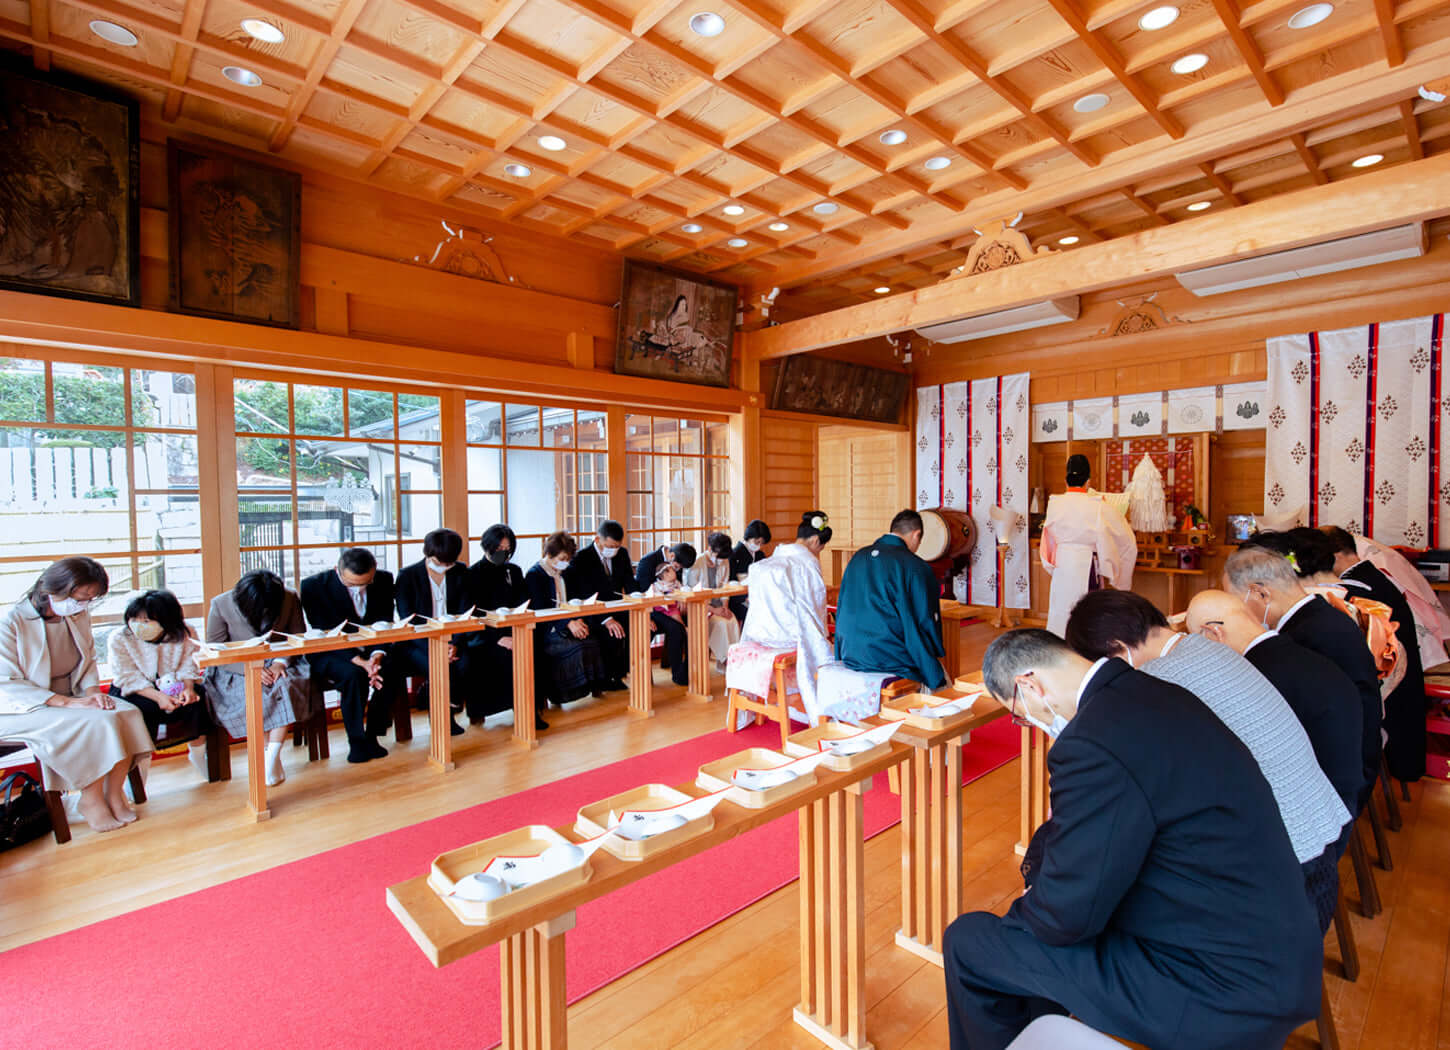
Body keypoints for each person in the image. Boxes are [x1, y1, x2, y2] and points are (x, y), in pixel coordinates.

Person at [943, 629, 1322, 1050]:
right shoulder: (1154, 692)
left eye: (1018, 713)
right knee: (1036, 928)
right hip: (1269, 945)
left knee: (970, 941)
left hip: (1218, 989)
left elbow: (1064, 917)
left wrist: (1028, 910)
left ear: (1028, 685)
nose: (1028, 722)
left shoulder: (1091, 742)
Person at [1066, 590, 1350, 931]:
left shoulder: (1159, 679)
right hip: (1320, 832)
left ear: (1116, 649)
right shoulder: (1206, 647)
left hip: (1283, 868)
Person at [1224, 545, 1382, 809]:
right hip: (1348, 755)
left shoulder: (1307, 637)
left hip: (1336, 782)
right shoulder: (1318, 617)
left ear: (1261, 593)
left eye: (1234, 601)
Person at [0, 558, 151, 832]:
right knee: (95, 722)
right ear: (53, 589)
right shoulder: (11, 622)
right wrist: (68, 702)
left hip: (72, 694)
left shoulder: (77, 615)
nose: (84, 604)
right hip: (24, 705)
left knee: (126, 712)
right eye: (81, 597)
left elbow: (89, 660)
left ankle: (113, 793)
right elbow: (6, 683)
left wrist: (94, 694)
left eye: (90, 599)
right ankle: (90, 799)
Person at [1187, 589, 1364, 815]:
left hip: (1313, 814)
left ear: (1213, 633)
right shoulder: (1298, 654)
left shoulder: (1255, 677)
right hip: (1342, 793)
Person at [1318, 525, 1426, 785]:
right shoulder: (1371, 576)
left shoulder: (1359, 588)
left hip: (1387, 684)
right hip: (1397, 676)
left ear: (1336, 554)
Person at [206, 570, 322, 786]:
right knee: (255, 693)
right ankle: (270, 758)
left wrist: (280, 662)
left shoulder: (288, 597)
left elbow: (297, 637)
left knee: (284, 686)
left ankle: (271, 757)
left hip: (279, 659)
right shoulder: (221, 604)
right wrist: (251, 669)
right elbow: (215, 650)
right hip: (236, 666)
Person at [300, 548, 401, 764]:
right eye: (353, 584)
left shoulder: (383, 579)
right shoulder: (314, 586)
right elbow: (324, 631)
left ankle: (373, 734)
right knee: (354, 676)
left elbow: (384, 621)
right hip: (331, 651)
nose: (359, 588)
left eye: (365, 583)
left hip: (372, 647)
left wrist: (376, 656)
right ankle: (356, 741)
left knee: (392, 670)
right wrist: (362, 663)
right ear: (338, 571)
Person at [732, 511, 833, 722]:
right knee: (826, 649)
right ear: (815, 541)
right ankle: (817, 707)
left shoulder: (767, 562)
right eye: (821, 547)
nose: (819, 552)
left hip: (759, 634)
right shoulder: (807, 564)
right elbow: (815, 606)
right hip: (788, 638)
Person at [834, 509, 946, 690]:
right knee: (940, 681)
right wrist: (936, 653)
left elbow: (842, 608)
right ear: (916, 535)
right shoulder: (915, 565)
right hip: (888, 658)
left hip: (850, 653)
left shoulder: (858, 557)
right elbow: (925, 620)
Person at [108, 589, 211, 775]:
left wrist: (188, 688)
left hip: (174, 684)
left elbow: (190, 664)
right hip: (135, 690)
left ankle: (197, 752)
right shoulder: (120, 638)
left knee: (199, 699)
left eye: (146, 621)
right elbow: (126, 676)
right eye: (134, 619)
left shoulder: (185, 633)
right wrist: (158, 697)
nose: (138, 625)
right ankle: (140, 767)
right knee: (141, 711)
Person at [1039, 453, 1137, 636]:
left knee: (1061, 608)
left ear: (1066, 480)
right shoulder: (1099, 506)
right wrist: (1120, 578)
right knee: (1087, 610)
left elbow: (1047, 541)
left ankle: (1059, 646)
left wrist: (1051, 566)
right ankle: (1086, 648)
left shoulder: (1055, 503)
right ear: (1088, 481)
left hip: (1061, 563)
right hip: (1086, 563)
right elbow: (1127, 540)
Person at [465, 524, 544, 731]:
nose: (503, 554)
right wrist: (497, 637)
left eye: (507, 550)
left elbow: (526, 602)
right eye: (499, 549)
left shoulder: (514, 571)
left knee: (533, 649)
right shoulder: (472, 574)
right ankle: (499, 709)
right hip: (485, 635)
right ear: (487, 547)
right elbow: (472, 614)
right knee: (504, 656)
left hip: (515, 629)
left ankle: (530, 709)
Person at [394, 529, 470, 738]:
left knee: (464, 663)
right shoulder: (408, 576)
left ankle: (449, 708)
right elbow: (408, 620)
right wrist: (436, 645)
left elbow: (465, 612)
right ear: (427, 553)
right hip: (418, 642)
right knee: (437, 665)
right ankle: (442, 718)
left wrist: (454, 642)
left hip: (452, 638)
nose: (445, 566)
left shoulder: (460, 571)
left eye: (449, 562)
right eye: (440, 561)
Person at [525, 531, 608, 706]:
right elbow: (541, 609)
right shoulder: (535, 575)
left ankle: (593, 688)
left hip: (568, 621)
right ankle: (560, 695)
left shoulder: (568, 572)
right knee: (575, 647)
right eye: (562, 558)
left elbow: (575, 598)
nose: (566, 562)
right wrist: (568, 623)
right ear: (549, 554)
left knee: (591, 639)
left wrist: (577, 620)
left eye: (568, 558)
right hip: (547, 628)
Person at [563, 520, 631, 690]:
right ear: (597, 539)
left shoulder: (621, 554)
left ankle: (623, 672)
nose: (613, 550)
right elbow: (583, 594)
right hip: (592, 611)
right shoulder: (581, 559)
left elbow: (630, 583)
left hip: (617, 606)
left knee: (638, 625)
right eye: (609, 546)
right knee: (611, 631)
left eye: (617, 546)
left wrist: (639, 599)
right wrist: (606, 619)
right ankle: (606, 678)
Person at [635, 541, 697, 688]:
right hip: (652, 609)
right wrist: (648, 617)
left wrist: (681, 598)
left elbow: (679, 584)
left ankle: (688, 669)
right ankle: (678, 673)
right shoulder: (648, 562)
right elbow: (641, 592)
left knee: (696, 623)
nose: (678, 570)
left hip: (672, 605)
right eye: (677, 567)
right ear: (672, 555)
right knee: (677, 628)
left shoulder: (676, 563)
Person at [686, 531, 740, 671]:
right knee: (721, 624)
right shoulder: (697, 562)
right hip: (701, 607)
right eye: (718, 556)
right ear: (710, 549)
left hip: (718, 606)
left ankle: (732, 660)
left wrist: (725, 607)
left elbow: (725, 587)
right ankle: (723, 660)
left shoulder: (725, 561)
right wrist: (714, 610)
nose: (721, 560)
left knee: (732, 620)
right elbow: (693, 593)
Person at [728, 519, 771, 621]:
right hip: (739, 598)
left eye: (761, 543)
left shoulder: (760, 555)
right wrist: (745, 597)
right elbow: (731, 581)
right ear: (749, 537)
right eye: (757, 542)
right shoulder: (734, 554)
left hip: (757, 595)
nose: (759, 546)